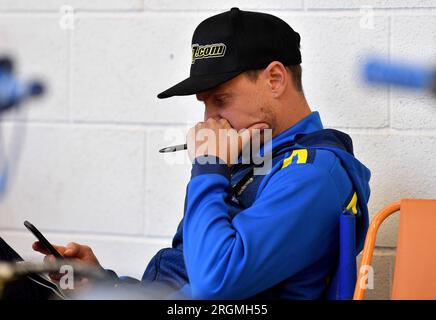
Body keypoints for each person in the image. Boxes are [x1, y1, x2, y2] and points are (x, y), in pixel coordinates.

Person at [30, 7, 371, 300]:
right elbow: (186, 285)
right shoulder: (248, 157)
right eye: (204, 104)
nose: (209, 120)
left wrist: (209, 166)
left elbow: (213, 286)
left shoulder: (312, 175)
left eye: (220, 100)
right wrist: (106, 284)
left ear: (275, 79)